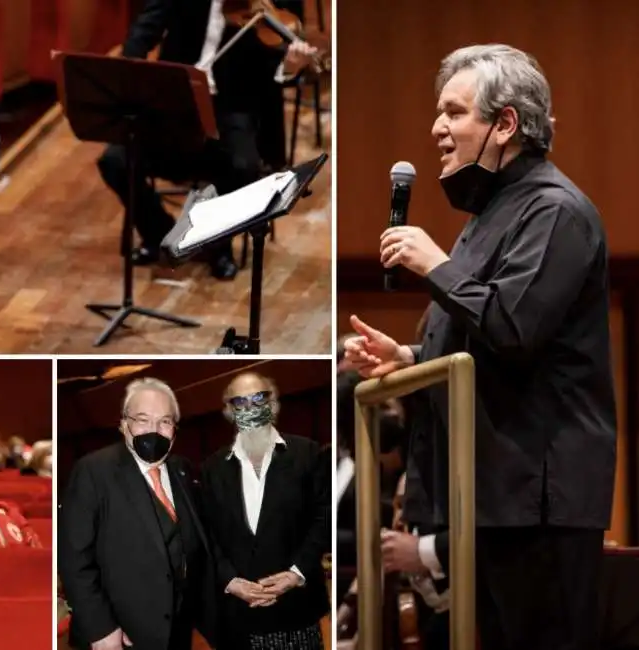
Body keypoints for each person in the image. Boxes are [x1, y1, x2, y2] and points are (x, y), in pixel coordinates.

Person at [344, 44, 616, 650]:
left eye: (455, 112)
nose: (437, 128)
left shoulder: (555, 211)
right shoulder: (490, 212)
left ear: (506, 124)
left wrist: (436, 264)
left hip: (537, 503)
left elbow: (514, 331)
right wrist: (407, 360)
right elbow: (478, 339)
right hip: (487, 499)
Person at [97, 0, 317, 281]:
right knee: (114, 161)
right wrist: (128, 69)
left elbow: (273, 71)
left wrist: (289, 66)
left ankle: (216, 245)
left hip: (232, 106)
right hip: (175, 100)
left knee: (242, 167)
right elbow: (146, 26)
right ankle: (161, 236)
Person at [60, 377, 217, 650]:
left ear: (175, 430)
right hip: (118, 636)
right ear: (124, 425)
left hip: (177, 633)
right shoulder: (93, 471)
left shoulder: (184, 470)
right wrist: (101, 630)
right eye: (143, 420)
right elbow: (74, 558)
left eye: (164, 421)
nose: (154, 430)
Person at [201, 372, 330, 649]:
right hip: (238, 616)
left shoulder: (308, 454)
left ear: (273, 404)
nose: (251, 408)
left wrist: (296, 574)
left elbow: (323, 520)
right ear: (229, 411)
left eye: (259, 398)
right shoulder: (212, 468)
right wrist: (230, 581)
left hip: (297, 610)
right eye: (240, 402)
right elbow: (207, 535)